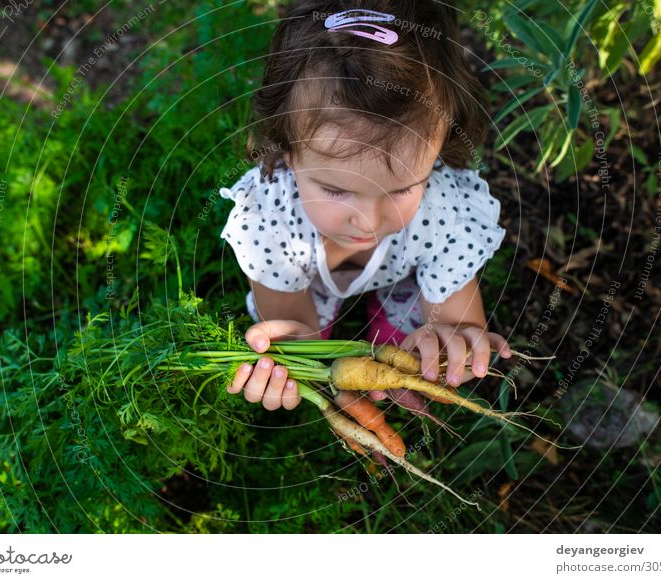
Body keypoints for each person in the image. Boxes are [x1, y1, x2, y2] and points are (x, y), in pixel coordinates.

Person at [219, 1, 513, 411]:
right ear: (284, 149)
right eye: (335, 190)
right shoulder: (270, 222)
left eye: (402, 189)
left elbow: (459, 325)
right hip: (307, 279)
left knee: (418, 333)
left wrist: (452, 345)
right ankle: (338, 350)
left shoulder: (445, 212)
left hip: (402, 269)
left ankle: (396, 341)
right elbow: (296, 341)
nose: (370, 221)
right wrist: (304, 366)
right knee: (302, 342)